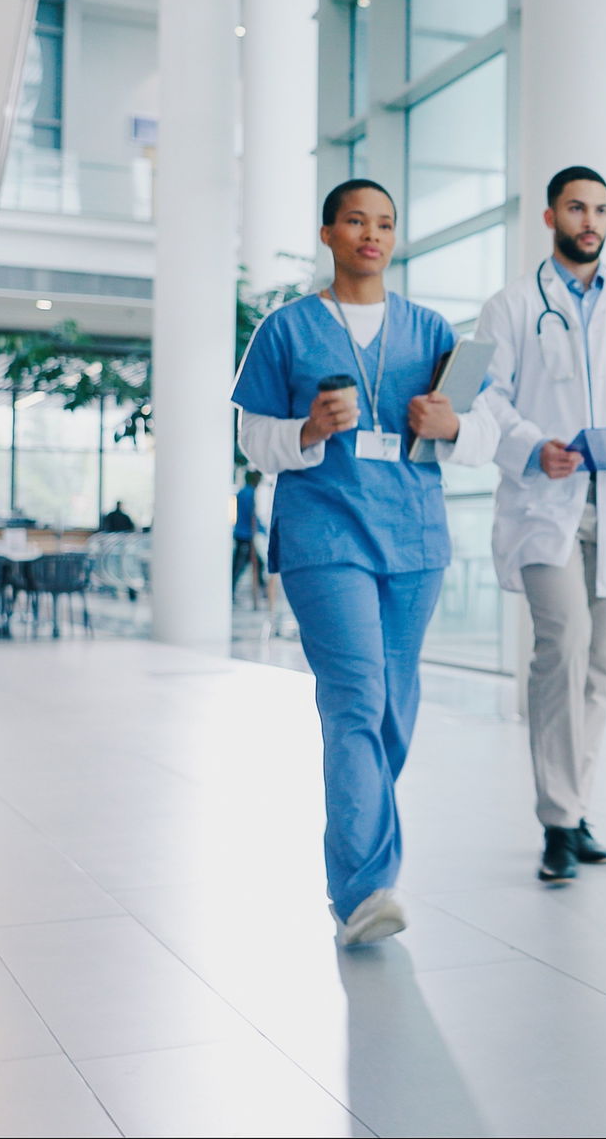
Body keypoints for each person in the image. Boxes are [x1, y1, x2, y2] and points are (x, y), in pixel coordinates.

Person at [230, 177, 499, 948]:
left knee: (393, 704)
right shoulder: (285, 331)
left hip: (414, 535)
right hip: (325, 533)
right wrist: (309, 428)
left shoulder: (430, 330)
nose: (371, 234)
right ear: (328, 233)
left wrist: (450, 423)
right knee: (356, 695)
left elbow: (478, 435)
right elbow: (254, 443)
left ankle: (361, 851)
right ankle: (363, 888)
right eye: (355, 220)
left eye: (384, 222)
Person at [472, 164, 606, 884]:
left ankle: (573, 804)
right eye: (576, 207)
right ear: (550, 217)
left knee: (601, 668)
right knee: (561, 646)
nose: (589, 220)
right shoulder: (510, 306)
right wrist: (534, 445)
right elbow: (486, 398)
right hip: (548, 499)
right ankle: (557, 821)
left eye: (599, 208)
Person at [232, 470, 265, 604]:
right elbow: (252, 516)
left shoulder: (242, 492)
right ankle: (231, 591)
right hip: (245, 535)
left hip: (243, 533)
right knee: (239, 566)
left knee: (248, 565)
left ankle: (262, 589)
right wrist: (263, 529)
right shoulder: (250, 494)